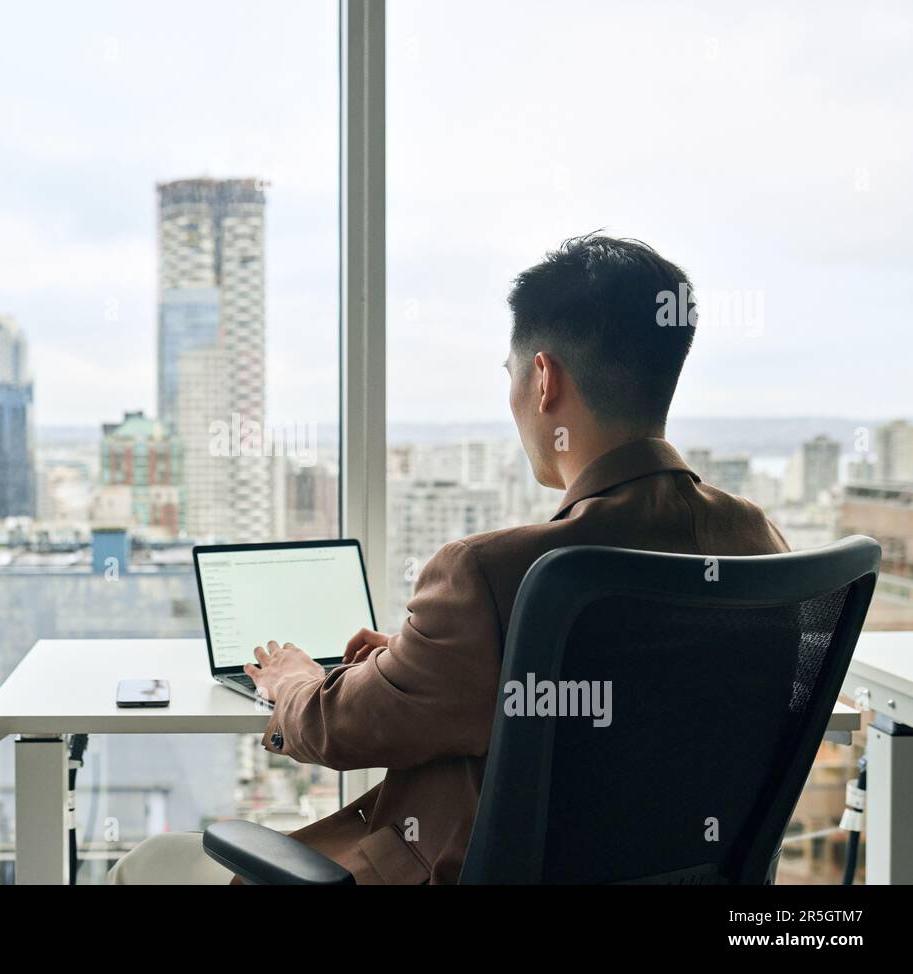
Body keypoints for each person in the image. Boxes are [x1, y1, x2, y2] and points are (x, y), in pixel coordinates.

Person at [110, 233, 788, 885]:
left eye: (512, 375)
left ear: (544, 378)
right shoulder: (762, 548)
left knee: (147, 865)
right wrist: (417, 664)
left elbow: (338, 727)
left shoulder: (492, 576)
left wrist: (291, 682)